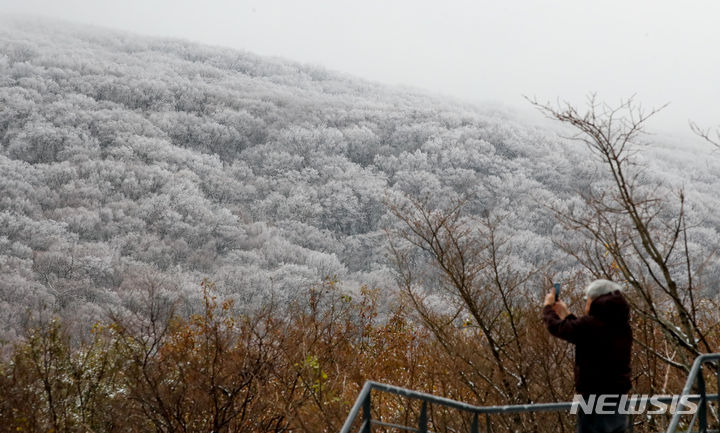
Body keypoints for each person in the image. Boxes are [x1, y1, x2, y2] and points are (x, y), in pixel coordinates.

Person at [542, 279, 632, 433]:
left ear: (595, 299)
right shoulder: (622, 326)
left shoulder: (591, 326)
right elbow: (586, 334)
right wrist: (566, 313)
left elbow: (558, 328)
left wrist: (548, 308)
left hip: (594, 399)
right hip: (618, 398)